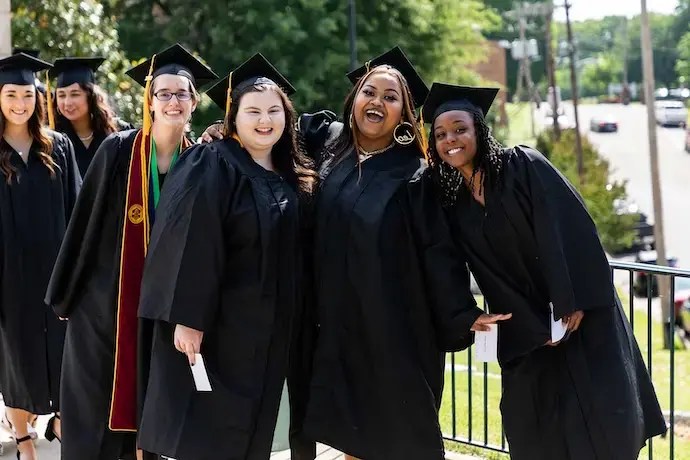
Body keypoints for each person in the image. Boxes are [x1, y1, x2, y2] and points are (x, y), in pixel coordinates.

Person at [422, 82, 667, 460]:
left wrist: (573, 301)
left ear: (478, 130)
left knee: (599, 424)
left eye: (459, 129)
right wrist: (468, 315)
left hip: (578, 317)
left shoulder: (523, 166)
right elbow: (447, 265)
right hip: (525, 331)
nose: (450, 139)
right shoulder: (455, 205)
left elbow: (573, 227)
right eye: (440, 134)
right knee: (531, 426)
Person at [294, 47, 510, 460]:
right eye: (369, 92)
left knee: (395, 431)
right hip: (333, 321)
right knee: (347, 430)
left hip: (391, 329)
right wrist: (221, 129)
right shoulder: (329, 148)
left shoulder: (415, 175)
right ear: (354, 100)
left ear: (404, 115)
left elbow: (438, 252)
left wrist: (464, 313)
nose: (377, 101)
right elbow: (270, 134)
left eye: (391, 97)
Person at [136, 52, 317, 460]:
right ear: (232, 118)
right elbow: (189, 239)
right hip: (220, 327)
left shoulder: (289, 172)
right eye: (252, 111)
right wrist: (187, 318)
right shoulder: (212, 161)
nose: (264, 120)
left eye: (273, 110)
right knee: (213, 431)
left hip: (268, 327)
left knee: (253, 427)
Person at [44, 43, 217, 460]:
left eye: (182, 94)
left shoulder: (202, 160)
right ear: (149, 100)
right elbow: (83, 225)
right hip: (105, 310)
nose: (172, 101)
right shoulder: (118, 150)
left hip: (160, 316)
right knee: (93, 419)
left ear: (194, 102)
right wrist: (68, 295)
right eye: (164, 93)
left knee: (150, 423)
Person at [0, 52, 80, 459]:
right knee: (15, 359)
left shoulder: (58, 146)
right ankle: (25, 442)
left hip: (57, 276)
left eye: (26, 93)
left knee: (66, 357)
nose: (19, 102)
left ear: (37, 96)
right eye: (10, 93)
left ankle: (64, 427)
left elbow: (78, 212)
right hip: (8, 279)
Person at [49, 57, 133, 176]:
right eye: (61, 95)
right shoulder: (53, 141)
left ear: (91, 96)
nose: (67, 102)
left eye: (75, 94)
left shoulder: (119, 132)